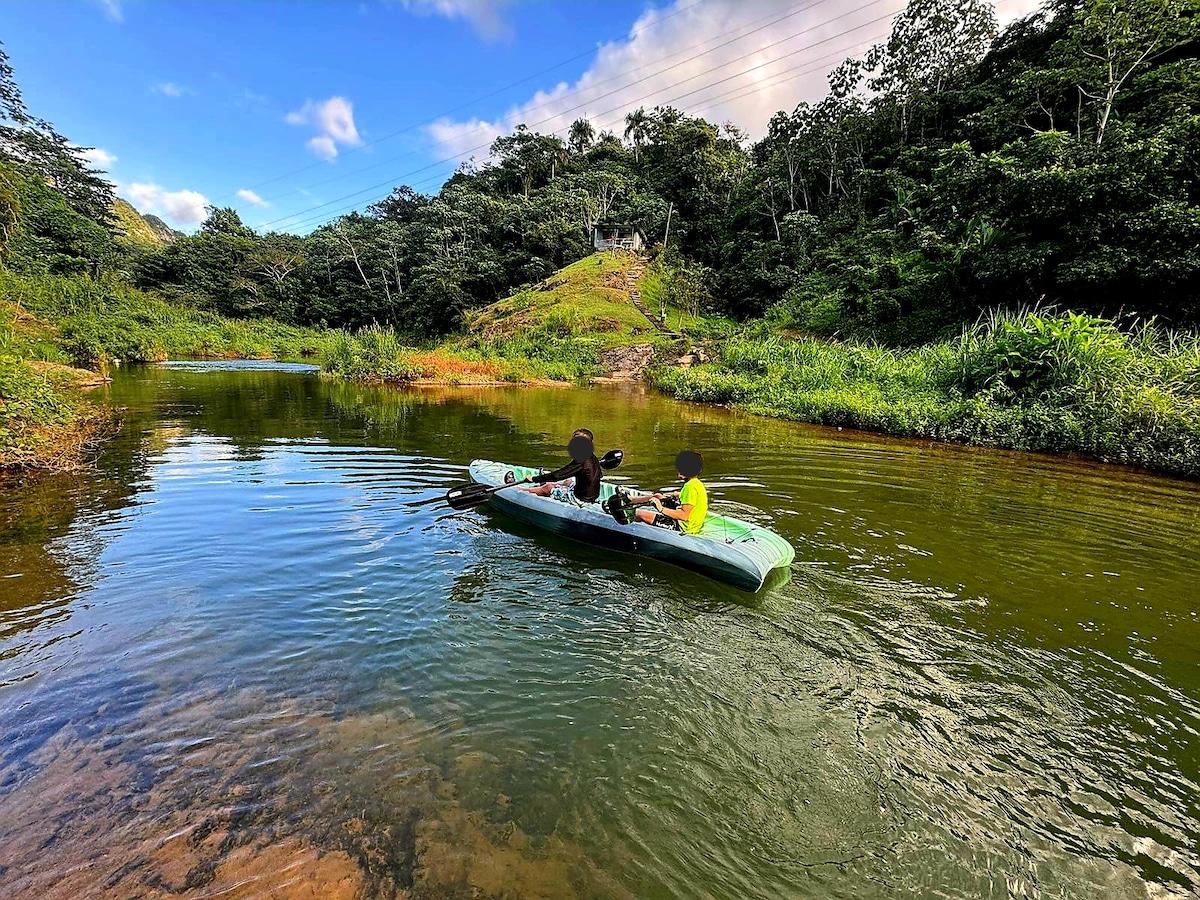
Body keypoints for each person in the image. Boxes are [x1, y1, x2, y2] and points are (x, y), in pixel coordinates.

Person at [629, 450, 708, 534]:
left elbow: (683, 516)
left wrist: (661, 509)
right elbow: (692, 498)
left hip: (682, 527)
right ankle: (631, 500)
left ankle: (622, 522)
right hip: (691, 524)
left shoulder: (689, 487)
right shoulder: (697, 483)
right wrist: (679, 494)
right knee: (658, 496)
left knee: (641, 514)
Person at [520, 428, 603, 503]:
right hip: (593, 496)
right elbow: (599, 475)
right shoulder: (592, 456)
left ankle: (519, 490)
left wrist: (534, 479)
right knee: (568, 482)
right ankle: (546, 482)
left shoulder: (581, 460)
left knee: (548, 488)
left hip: (580, 499)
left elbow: (557, 476)